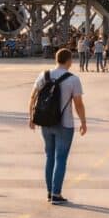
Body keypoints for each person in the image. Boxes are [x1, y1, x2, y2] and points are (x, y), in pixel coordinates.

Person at [29, 48, 87, 204]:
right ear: (69, 61)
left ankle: (50, 192)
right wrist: (83, 122)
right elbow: (78, 104)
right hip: (65, 123)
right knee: (60, 158)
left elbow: (33, 97)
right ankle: (56, 193)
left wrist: (31, 118)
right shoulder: (73, 79)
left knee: (49, 157)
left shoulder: (44, 75)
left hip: (45, 122)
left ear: (56, 59)